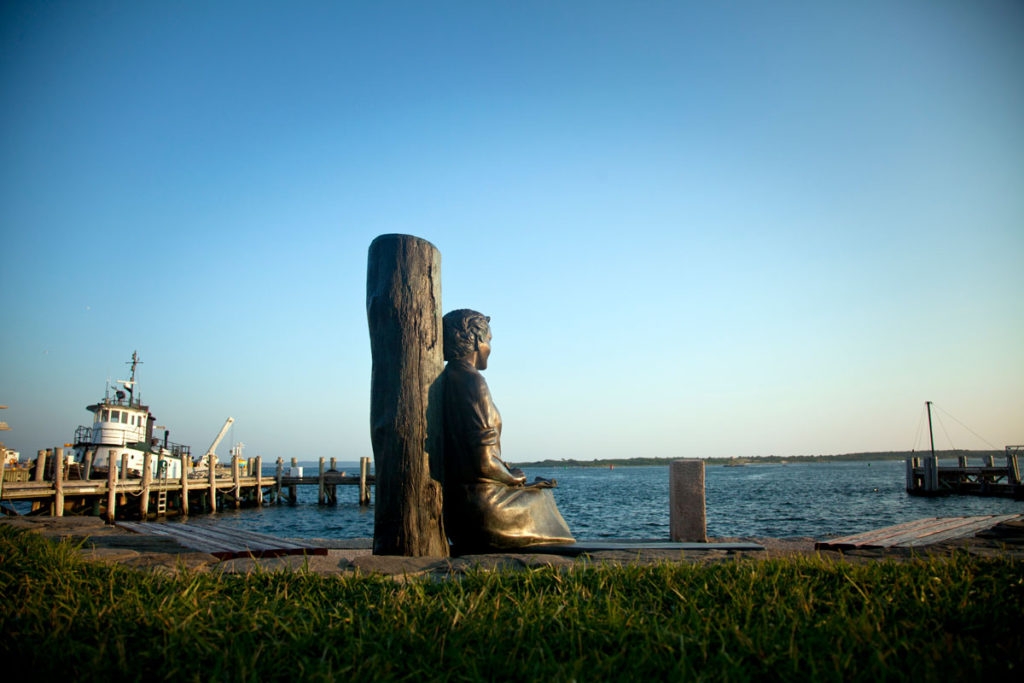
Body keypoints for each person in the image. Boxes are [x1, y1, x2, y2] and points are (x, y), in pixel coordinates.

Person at [441, 309, 574, 552]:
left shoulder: (450, 378)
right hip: (483, 508)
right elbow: (483, 463)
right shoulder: (473, 382)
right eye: (489, 340)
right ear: (477, 340)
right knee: (541, 497)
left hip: (458, 506)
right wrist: (515, 477)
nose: (490, 347)